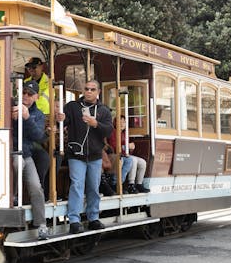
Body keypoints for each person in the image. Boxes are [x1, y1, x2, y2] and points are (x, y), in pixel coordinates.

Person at [61, 80, 113, 233]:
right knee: (77, 185)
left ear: (98, 92)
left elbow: (109, 131)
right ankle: (75, 220)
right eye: (86, 89)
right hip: (76, 154)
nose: (89, 91)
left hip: (95, 156)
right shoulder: (72, 106)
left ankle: (93, 218)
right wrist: (60, 119)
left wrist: (96, 124)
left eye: (92, 89)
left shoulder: (103, 110)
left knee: (93, 187)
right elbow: (65, 121)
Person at [12, 79, 48, 240]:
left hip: (26, 153)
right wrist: (10, 117)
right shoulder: (9, 106)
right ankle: (13, 197)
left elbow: (39, 136)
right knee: (16, 163)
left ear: (36, 97)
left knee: (36, 186)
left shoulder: (38, 114)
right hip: (10, 152)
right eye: (24, 92)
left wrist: (27, 118)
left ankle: (41, 224)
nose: (25, 96)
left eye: (30, 94)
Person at [24, 58, 51, 187]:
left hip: (44, 118)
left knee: (44, 157)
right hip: (30, 120)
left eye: (34, 68)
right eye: (29, 68)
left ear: (41, 67)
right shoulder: (25, 82)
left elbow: (43, 103)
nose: (32, 71)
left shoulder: (49, 82)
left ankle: (41, 188)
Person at [110, 115, 149, 193]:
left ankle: (139, 183)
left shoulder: (124, 133)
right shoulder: (113, 132)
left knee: (142, 162)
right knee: (132, 160)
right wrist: (126, 147)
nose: (122, 124)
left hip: (125, 154)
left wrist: (131, 148)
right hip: (117, 154)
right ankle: (131, 184)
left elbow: (128, 151)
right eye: (120, 122)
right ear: (115, 123)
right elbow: (114, 147)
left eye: (124, 122)